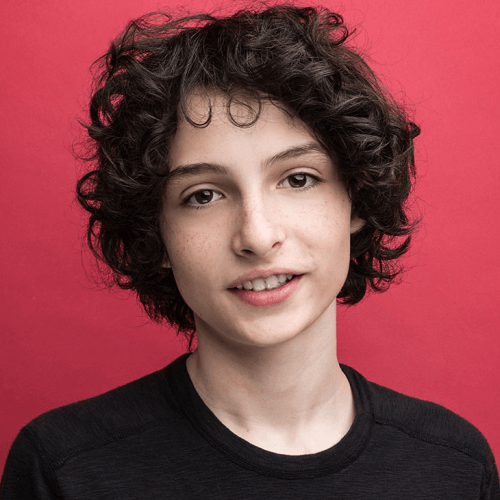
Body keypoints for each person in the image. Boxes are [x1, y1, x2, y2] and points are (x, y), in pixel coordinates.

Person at [1, 4, 498, 498]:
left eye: (298, 179)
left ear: (356, 199)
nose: (257, 236)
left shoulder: (455, 467)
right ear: (157, 234)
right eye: (203, 195)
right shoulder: (64, 469)